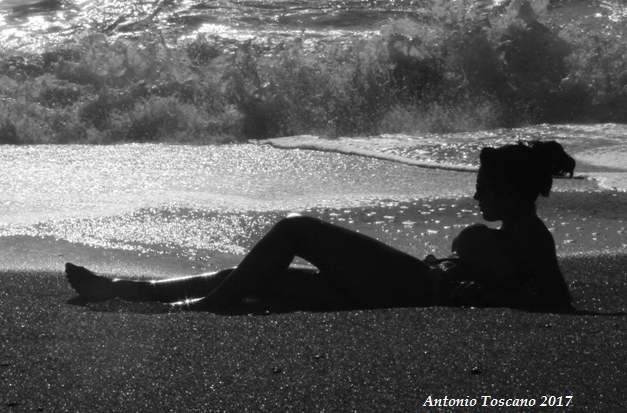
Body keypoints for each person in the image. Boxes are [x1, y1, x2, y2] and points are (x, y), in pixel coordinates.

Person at [65, 141, 575, 313]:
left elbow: (555, 300)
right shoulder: (515, 232)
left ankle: (205, 307)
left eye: (484, 187)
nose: (476, 195)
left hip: (416, 287)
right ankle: (117, 288)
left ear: (511, 191)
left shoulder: (529, 233)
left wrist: (480, 296)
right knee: (243, 274)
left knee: (296, 228)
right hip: (401, 287)